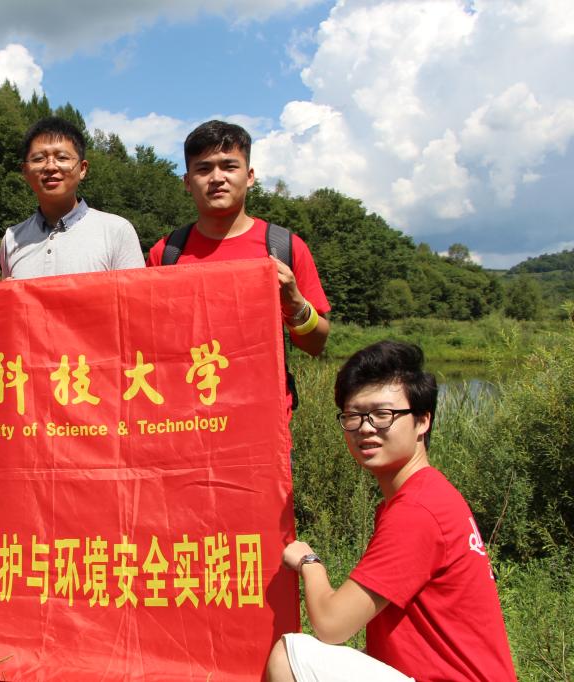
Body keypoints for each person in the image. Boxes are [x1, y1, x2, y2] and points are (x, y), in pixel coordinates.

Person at [266, 341, 517, 681]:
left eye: (382, 414)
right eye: (353, 416)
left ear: (422, 421)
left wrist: (310, 563)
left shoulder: (417, 509)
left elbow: (331, 624)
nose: (366, 427)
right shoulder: (424, 494)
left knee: (290, 656)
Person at [147, 121, 330, 359]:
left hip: (264, 385)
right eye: (203, 169)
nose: (217, 178)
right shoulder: (166, 253)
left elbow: (315, 346)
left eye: (229, 166)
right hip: (191, 382)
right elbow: (148, 337)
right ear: (187, 182)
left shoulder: (284, 246)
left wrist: (294, 302)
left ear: (250, 176)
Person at [0, 116, 144, 279]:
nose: (50, 166)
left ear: (82, 169)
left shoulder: (117, 231)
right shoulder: (12, 238)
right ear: (25, 171)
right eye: (39, 159)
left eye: (62, 157)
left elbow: (135, 294)